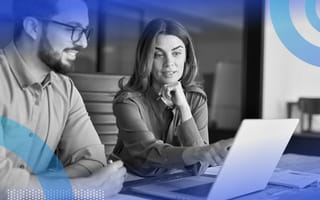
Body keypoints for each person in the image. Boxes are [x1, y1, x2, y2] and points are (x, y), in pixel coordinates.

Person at [0, 0, 126, 198]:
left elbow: (94, 162)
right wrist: (86, 189)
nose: (83, 42)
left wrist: (35, 189)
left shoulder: (65, 89)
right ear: (33, 27)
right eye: (72, 28)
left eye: (85, 31)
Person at [111, 18, 233, 177]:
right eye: (158, 55)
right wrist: (198, 153)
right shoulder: (127, 102)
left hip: (173, 181)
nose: (169, 63)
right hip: (131, 181)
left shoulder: (196, 98)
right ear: (145, 59)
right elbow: (148, 153)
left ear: (186, 57)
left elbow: (200, 167)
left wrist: (184, 108)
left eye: (176, 53)